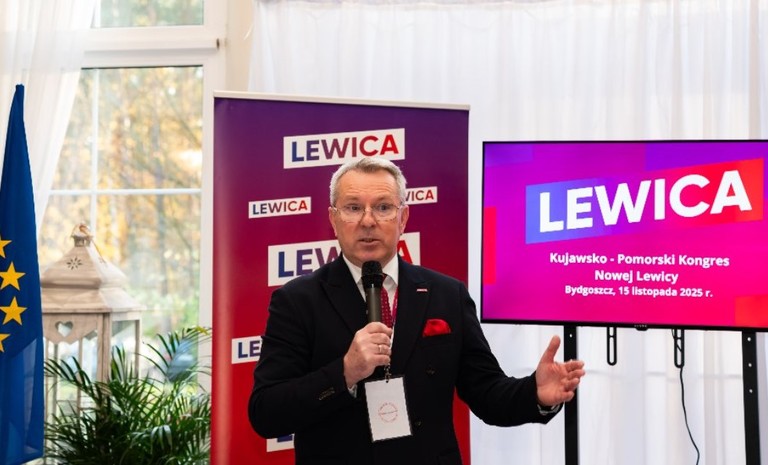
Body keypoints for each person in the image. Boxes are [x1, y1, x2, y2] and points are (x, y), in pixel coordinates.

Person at [248, 157, 585, 464]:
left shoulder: (446, 294)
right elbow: (266, 412)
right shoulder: (298, 301)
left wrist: (535, 393)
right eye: (353, 208)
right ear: (333, 219)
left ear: (403, 218)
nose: (368, 221)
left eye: (383, 207)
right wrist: (345, 372)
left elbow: (487, 393)